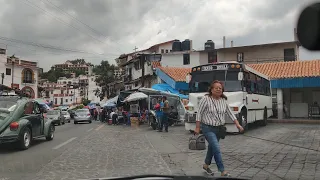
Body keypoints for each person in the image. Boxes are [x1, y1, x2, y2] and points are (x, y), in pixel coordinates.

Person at [194, 80, 244, 177]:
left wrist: (238, 125)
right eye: (216, 88)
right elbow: (199, 113)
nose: (218, 89)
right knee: (216, 148)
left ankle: (206, 165)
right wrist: (197, 127)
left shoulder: (223, 101)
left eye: (220, 88)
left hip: (219, 129)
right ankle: (222, 171)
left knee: (212, 148)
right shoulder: (206, 99)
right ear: (211, 90)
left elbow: (230, 113)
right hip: (207, 128)